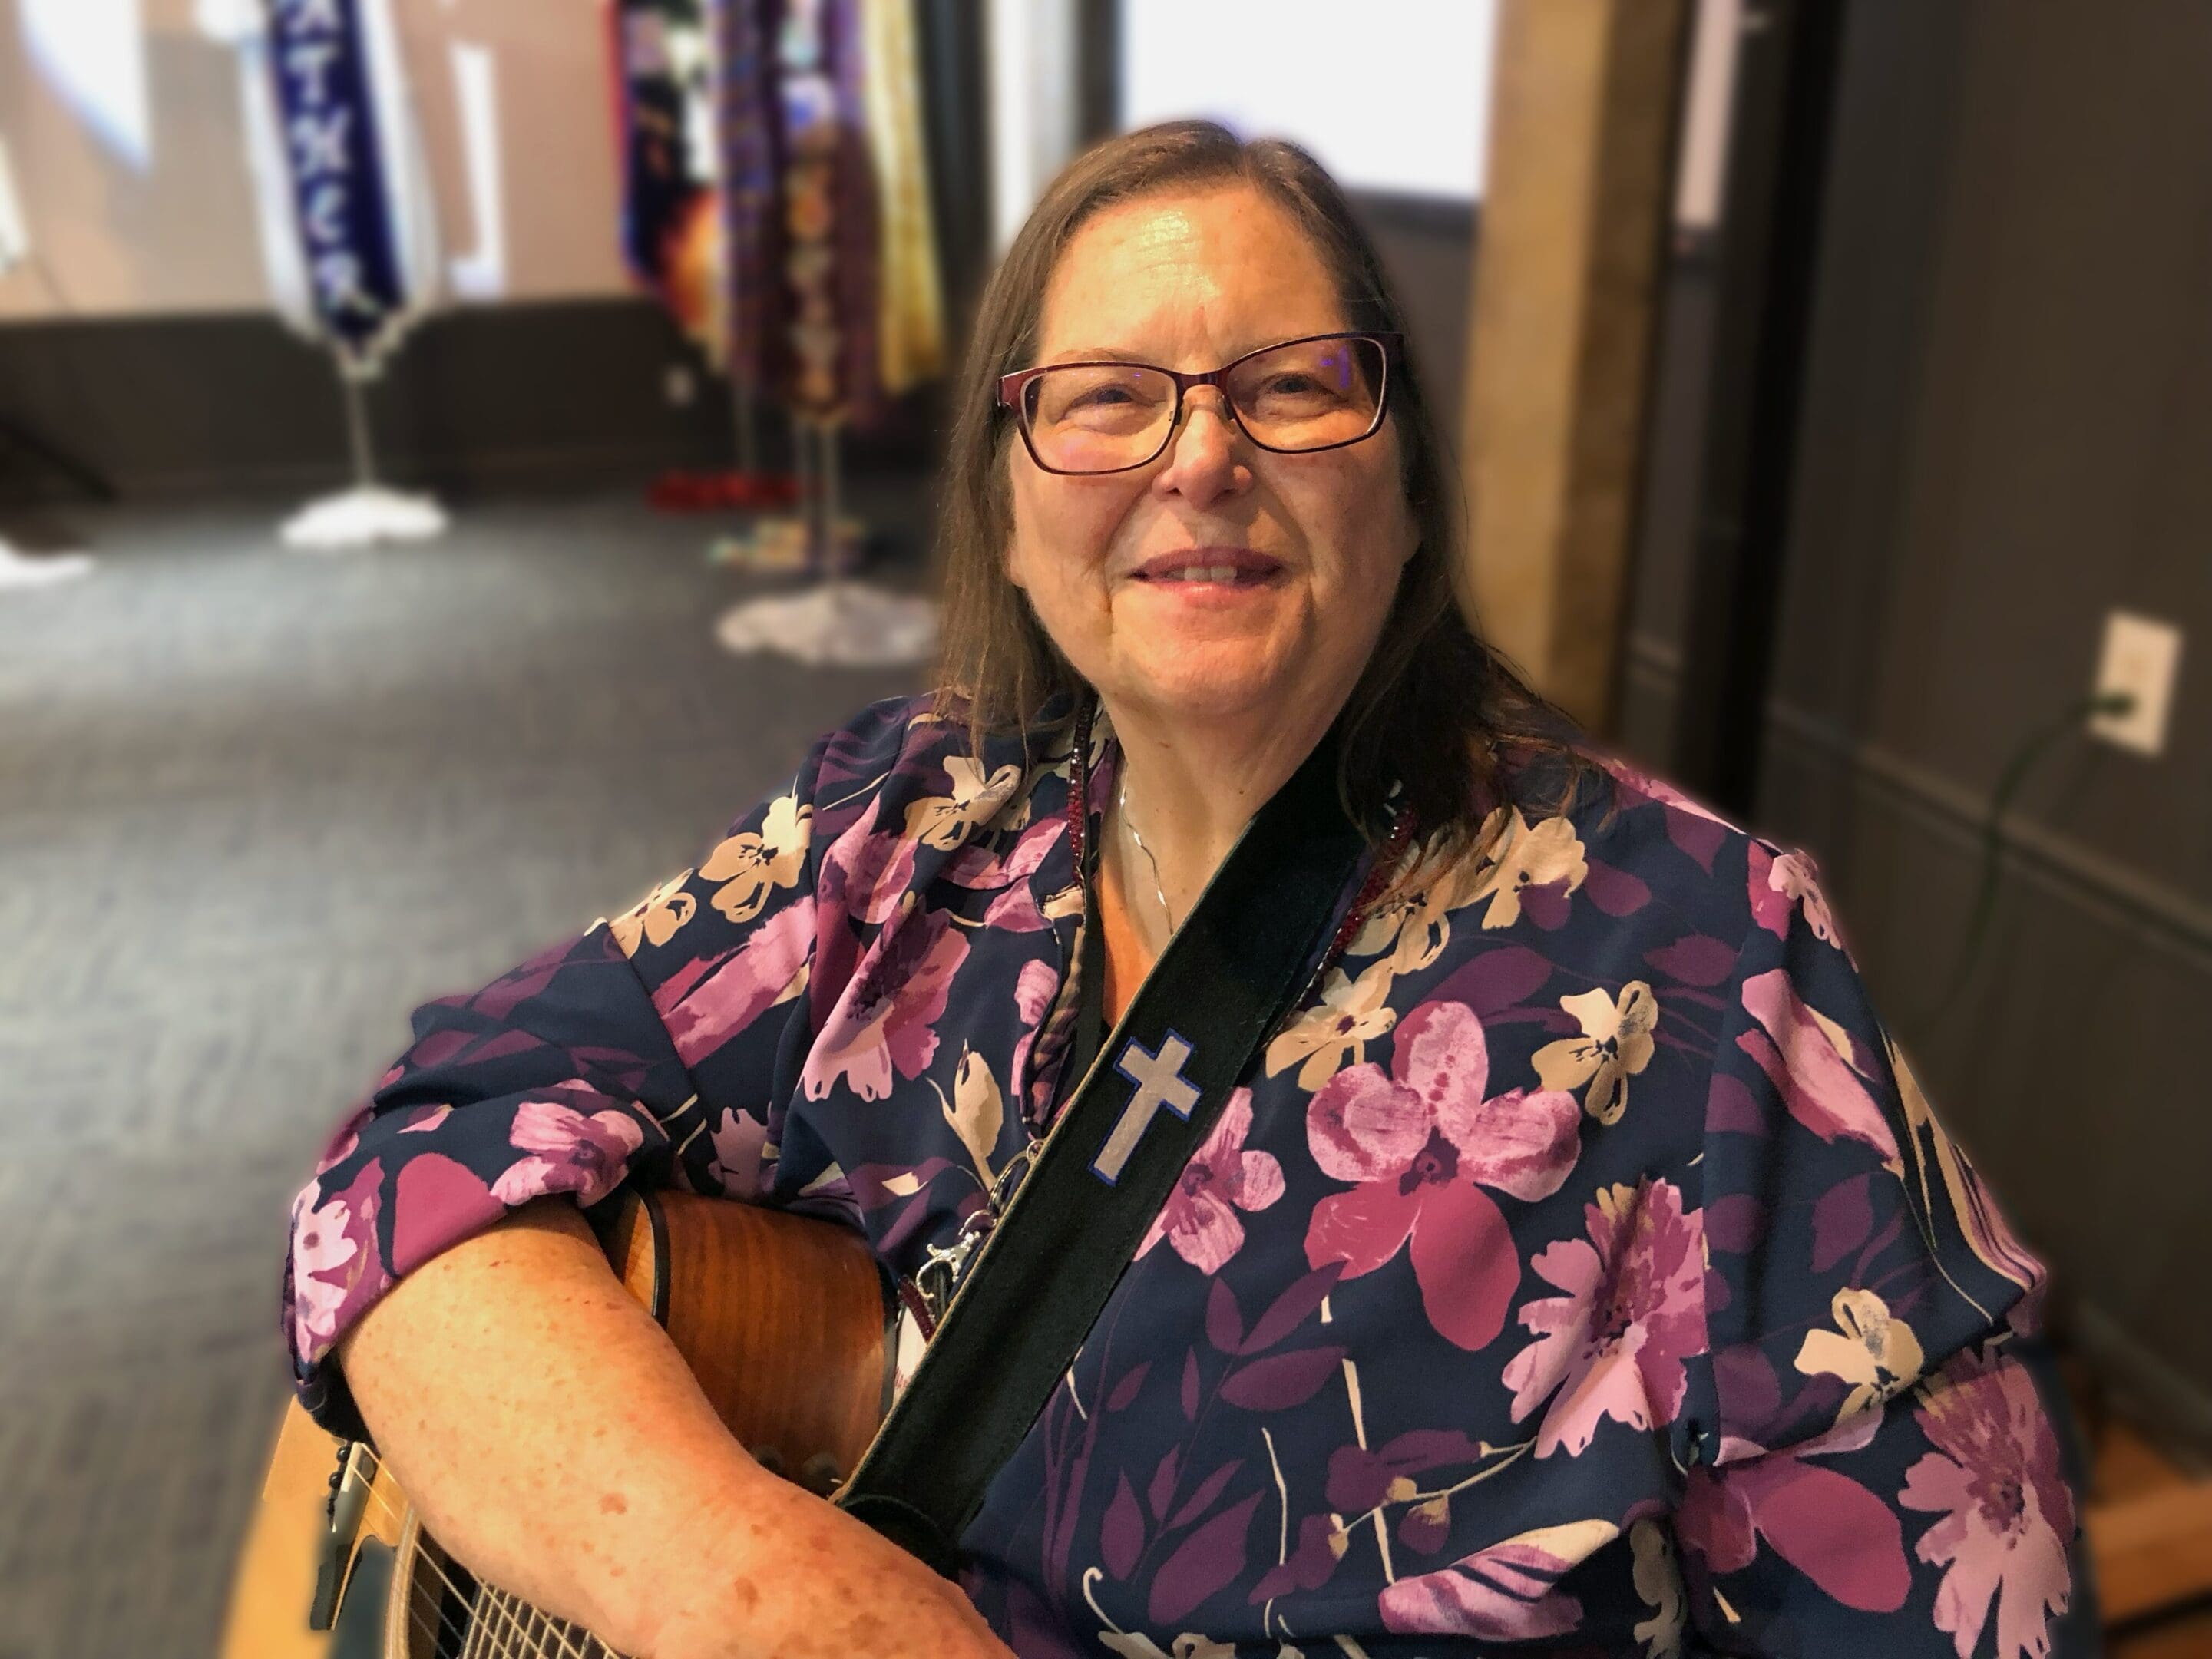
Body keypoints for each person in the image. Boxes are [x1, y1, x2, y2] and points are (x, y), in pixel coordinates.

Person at [287, 121, 2093, 1658]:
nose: (1200, 455)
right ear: (1008, 509)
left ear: (1403, 487)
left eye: (1292, 385)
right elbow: (413, 1157)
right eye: (1104, 400)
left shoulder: (1706, 968)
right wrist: (742, 1579)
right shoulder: (908, 827)